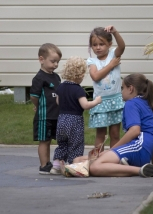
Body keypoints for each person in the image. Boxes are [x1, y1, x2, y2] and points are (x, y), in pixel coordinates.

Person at [88, 73, 153, 178]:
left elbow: (135, 131)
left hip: (138, 148)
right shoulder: (146, 104)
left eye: (123, 88)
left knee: (95, 166)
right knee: (85, 160)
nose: (121, 92)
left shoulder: (131, 103)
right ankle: (141, 169)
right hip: (144, 153)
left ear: (130, 89)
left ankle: (139, 170)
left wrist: (113, 149)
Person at [50, 57, 102, 174]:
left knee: (62, 143)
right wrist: (96, 101)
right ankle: (74, 166)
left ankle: (56, 165)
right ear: (80, 74)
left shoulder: (61, 87)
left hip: (62, 119)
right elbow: (85, 105)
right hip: (75, 121)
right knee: (76, 144)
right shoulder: (78, 90)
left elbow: (58, 102)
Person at [87, 25, 126, 148]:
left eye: (101, 44)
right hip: (100, 102)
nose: (98, 47)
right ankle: (98, 161)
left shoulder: (113, 54)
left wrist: (115, 32)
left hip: (115, 100)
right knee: (101, 135)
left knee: (115, 134)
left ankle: (113, 161)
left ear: (109, 44)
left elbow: (122, 46)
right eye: (94, 45)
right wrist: (111, 65)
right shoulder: (92, 61)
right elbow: (95, 76)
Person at [30, 43, 62, 175]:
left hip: (57, 115)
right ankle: (44, 165)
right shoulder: (39, 78)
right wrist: (38, 106)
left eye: (57, 62)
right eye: (53, 61)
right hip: (44, 116)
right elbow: (33, 96)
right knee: (44, 140)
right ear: (41, 59)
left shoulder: (56, 77)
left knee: (54, 139)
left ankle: (52, 163)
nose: (55, 65)